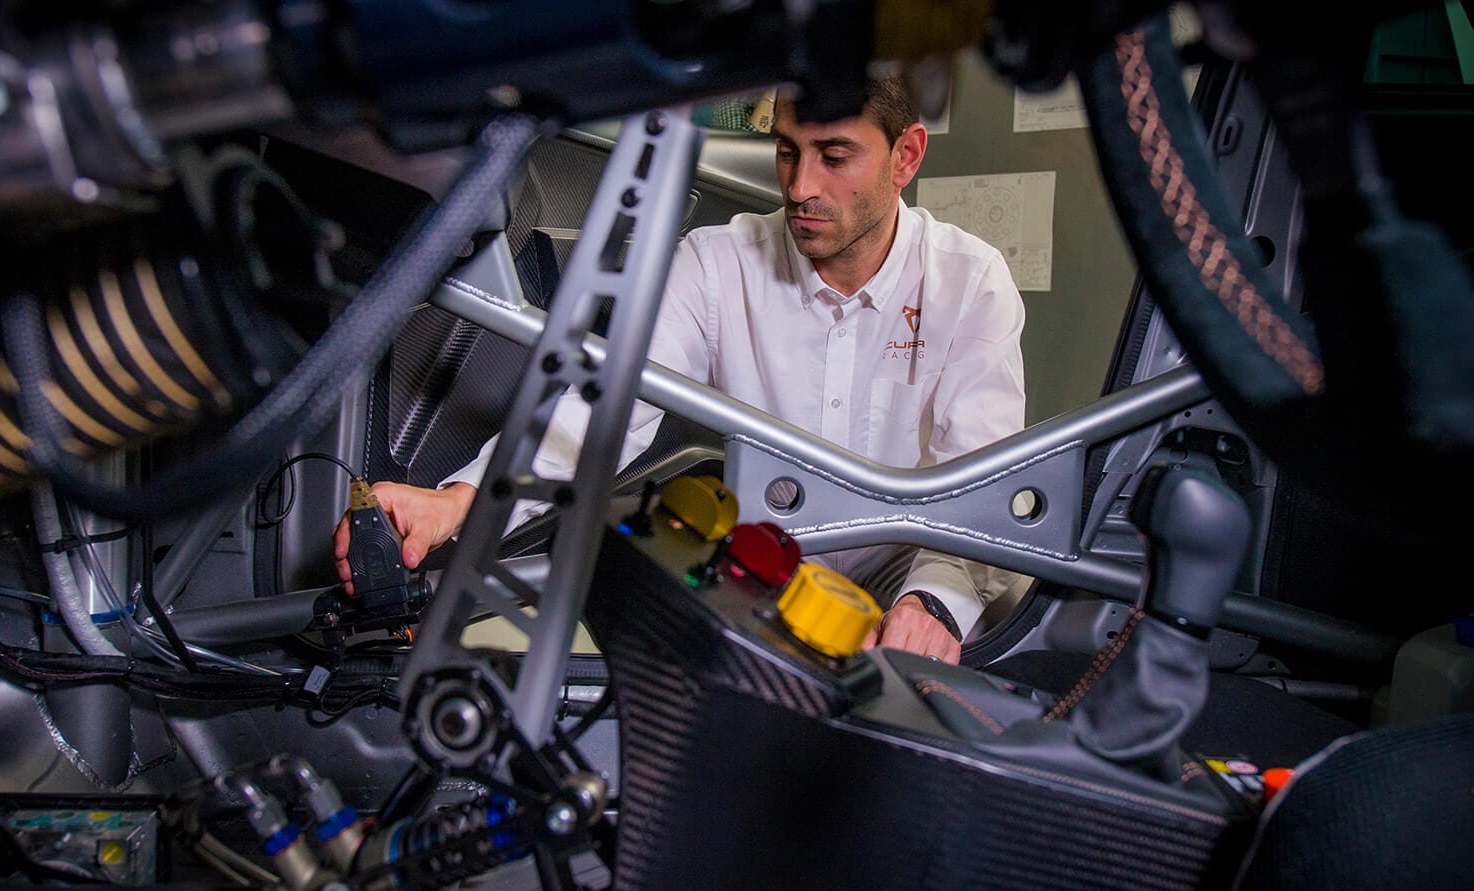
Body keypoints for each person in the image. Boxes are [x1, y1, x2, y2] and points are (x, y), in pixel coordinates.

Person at [335, 75, 1025, 665]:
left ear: (905, 157)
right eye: (787, 152)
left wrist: (933, 606)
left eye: (834, 156)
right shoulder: (715, 263)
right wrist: (458, 502)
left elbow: (980, 483)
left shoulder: (970, 283)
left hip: (903, 587)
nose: (801, 186)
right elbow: (601, 413)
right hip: (769, 582)